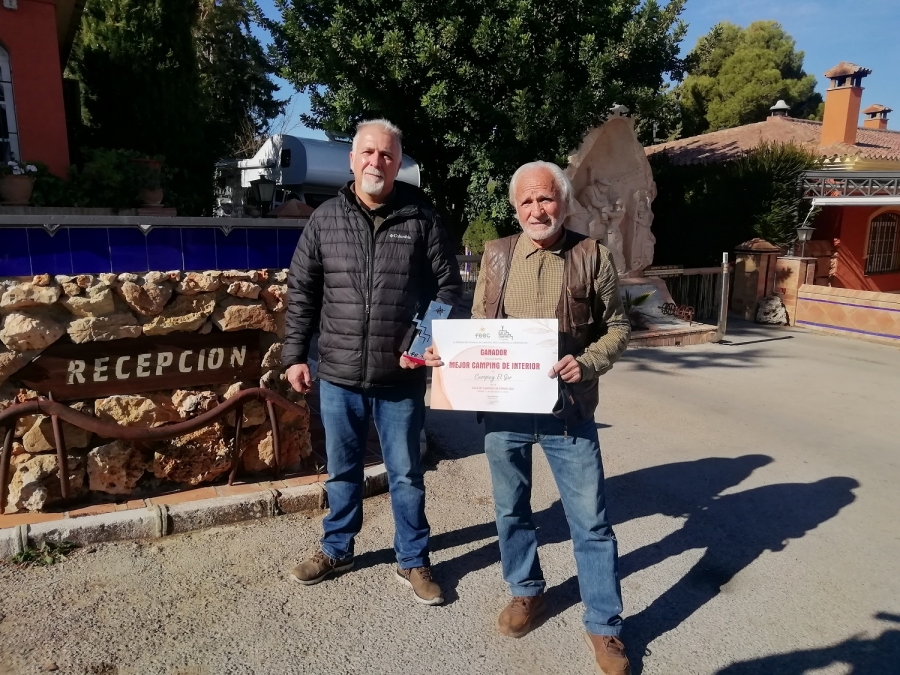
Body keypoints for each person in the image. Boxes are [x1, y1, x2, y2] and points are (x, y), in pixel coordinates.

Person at [426, 161, 632, 673]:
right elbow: (479, 328)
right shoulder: (496, 256)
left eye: (546, 199)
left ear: (563, 202)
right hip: (506, 409)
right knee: (511, 509)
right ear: (515, 208)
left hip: (568, 410)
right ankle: (526, 591)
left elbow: (619, 328)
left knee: (590, 523)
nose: (537, 210)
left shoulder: (593, 256)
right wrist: (448, 355)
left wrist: (585, 363)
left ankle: (604, 626)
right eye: (527, 202)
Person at [283, 119, 462, 606]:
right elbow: (302, 291)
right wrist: (294, 354)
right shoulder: (325, 219)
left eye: (387, 155)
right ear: (352, 158)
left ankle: (413, 559)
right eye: (368, 152)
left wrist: (424, 338)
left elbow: (448, 288)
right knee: (342, 471)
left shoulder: (421, 217)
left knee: (405, 474)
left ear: (397, 162)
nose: (376, 162)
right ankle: (336, 549)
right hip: (338, 375)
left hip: (399, 376)